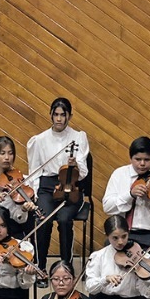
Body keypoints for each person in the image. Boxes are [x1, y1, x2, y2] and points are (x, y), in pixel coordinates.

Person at [26, 97, 89, 270]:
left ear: (70, 116)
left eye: (63, 115)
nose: (59, 119)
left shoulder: (78, 137)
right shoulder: (39, 140)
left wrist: (76, 164)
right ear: (51, 115)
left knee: (64, 219)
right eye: (56, 114)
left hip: (71, 185)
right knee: (42, 220)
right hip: (46, 187)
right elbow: (35, 171)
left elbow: (83, 173)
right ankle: (40, 267)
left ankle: (66, 267)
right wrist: (36, 195)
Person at [102, 137, 150, 271]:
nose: (142, 164)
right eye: (137, 160)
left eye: (147, 160)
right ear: (131, 158)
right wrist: (130, 195)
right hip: (125, 233)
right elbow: (107, 207)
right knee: (108, 263)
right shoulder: (119, 174)